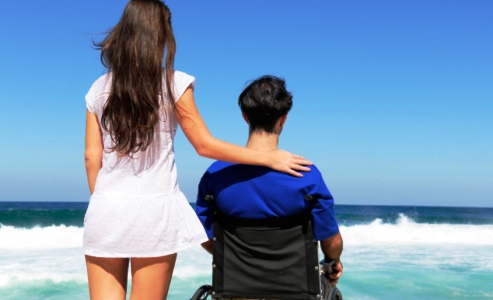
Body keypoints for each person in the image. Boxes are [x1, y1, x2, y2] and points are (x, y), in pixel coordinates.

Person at [83, 1, 311, 299]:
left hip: (105, 208)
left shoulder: (98, 88)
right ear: (160, 34)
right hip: (154, 211)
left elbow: (91, 157)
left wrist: (104, 202)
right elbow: (204, 145)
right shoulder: (174, 83)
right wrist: (268, 157)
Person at [196, 75, 344, 288]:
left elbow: (204, 236)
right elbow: (331, 240)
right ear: (283, 119)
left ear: (245, 117)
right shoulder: (306, 174)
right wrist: (333, 260)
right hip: (297, 289)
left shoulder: (215, 174)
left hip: (235, 289)